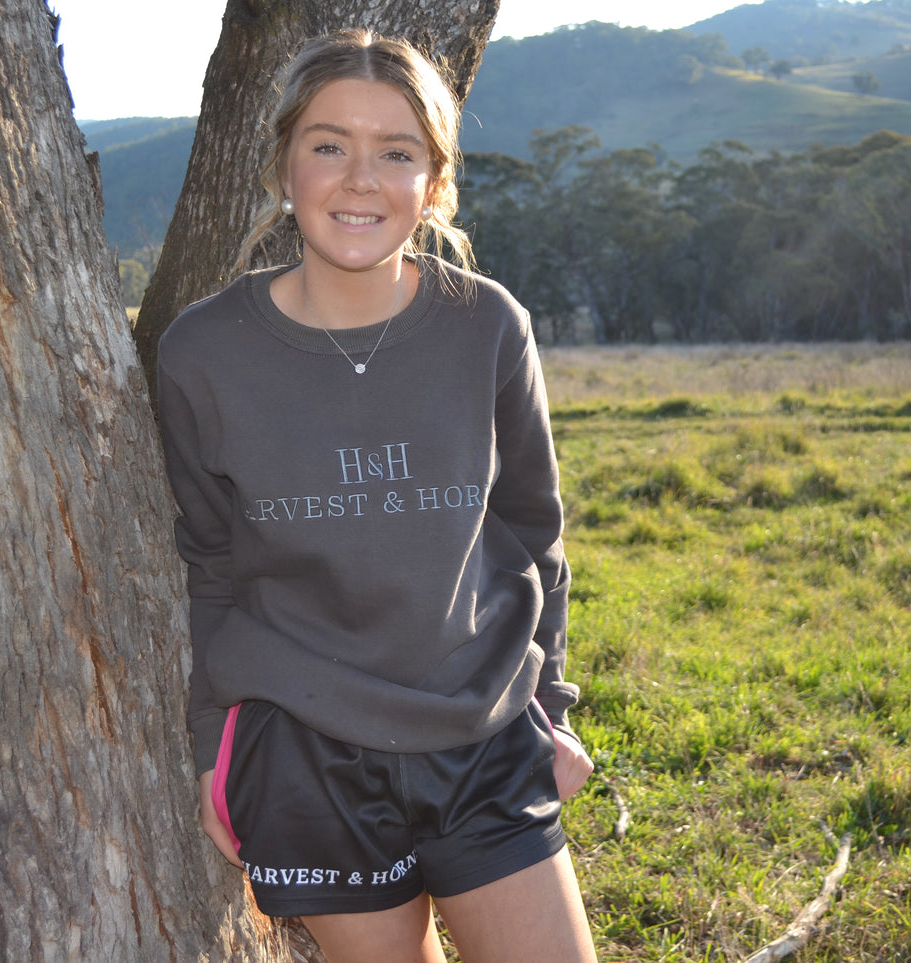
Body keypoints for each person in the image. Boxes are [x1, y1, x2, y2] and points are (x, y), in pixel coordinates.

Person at [157, 28, 596, 963]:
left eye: (395, 152)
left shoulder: (487, 326)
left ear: (432, 184)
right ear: (284, 165)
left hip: (482, 733)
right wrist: (211, 748)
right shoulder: (203, 352)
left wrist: (550, 705)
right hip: (306, 749)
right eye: (329, 145)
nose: (360, 179)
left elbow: (532, 528)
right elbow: (210, 562)